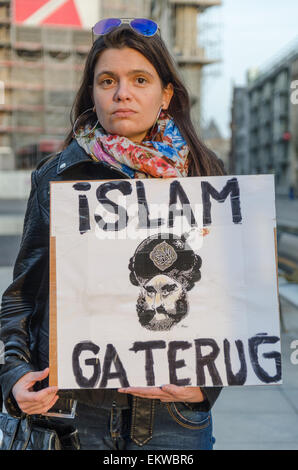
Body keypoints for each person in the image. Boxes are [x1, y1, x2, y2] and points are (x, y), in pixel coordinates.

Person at [0, 18, 225, 450]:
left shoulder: (206, 176)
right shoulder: (57, 176)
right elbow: (21, 297)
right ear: (93, 94)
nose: (122, 92)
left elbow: (228, 295)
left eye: (139, 79)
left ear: (166, 94)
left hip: (173, 418)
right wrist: (12, 378)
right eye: (108, 80)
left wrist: (207, 387)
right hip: (70, 413)